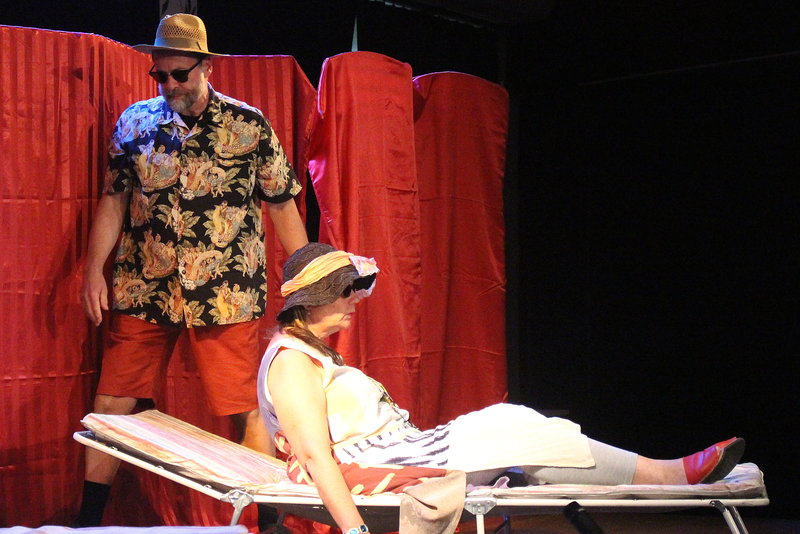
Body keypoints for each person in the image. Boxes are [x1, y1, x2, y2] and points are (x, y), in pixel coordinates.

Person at [258, 242, 746, 534]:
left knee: (519, 423)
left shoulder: (308, 353)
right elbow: (316, 455)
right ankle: (666, 475)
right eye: (344, 291)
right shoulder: (292, 363)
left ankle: (663, 473)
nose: (355, 300)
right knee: (515, 428)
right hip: (379, 462)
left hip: (398, 449)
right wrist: (356, 530)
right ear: (313, 300)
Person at [76, 13, 308, 527]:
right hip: (145, 284)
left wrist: (305, 287)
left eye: (180, 73)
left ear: (206, 67)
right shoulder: (134, 123)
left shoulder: (248, 125)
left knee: (245, 408)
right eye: (160, 74)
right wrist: (93, 269)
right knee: (111, 402)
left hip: (225, 290)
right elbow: (114, 199)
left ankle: (268, 523)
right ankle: (87, 522)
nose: (169, 84)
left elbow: (282, 204)